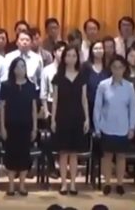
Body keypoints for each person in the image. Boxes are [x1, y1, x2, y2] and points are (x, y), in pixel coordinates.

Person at [94, 55, 135, 195]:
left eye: (120, 67)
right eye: (114, 67)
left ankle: (119, 183)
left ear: (124, 69)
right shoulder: (103, 85)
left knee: (120, 156)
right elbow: (97, 107)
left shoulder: (129, 87)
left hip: (123, 127)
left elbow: (132, 108)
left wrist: (132, 127)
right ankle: (107, 183)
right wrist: (97, 126)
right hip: (106, 126)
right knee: (106, 156)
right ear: (111, 69)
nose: (117, 70)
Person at [51, 46, 89, 195]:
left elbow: (84, 99)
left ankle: (73, 184)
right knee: (63, 153)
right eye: (69, 56)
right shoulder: (58, 77)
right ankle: (63, 184)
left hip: (78, 116)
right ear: (64, 58)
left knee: (74, 153)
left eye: (74, 56)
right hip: (62, 116)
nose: (71, 58)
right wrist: (53, 119)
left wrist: (87, 119)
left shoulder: (82, 76)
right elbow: (54, 100)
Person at [0, 57, 38, 196]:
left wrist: (35, 127)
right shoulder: (6, 86)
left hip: (26, 126)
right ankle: (10, 185)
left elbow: (34, 109)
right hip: (10, 126)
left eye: (23, 66)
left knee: (24, 156)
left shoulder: (31, 86)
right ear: (13, 69)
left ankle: (22, 185)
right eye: (18, 67)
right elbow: (2, 108)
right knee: (11, 155)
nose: (21, 69)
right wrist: (2, 127)